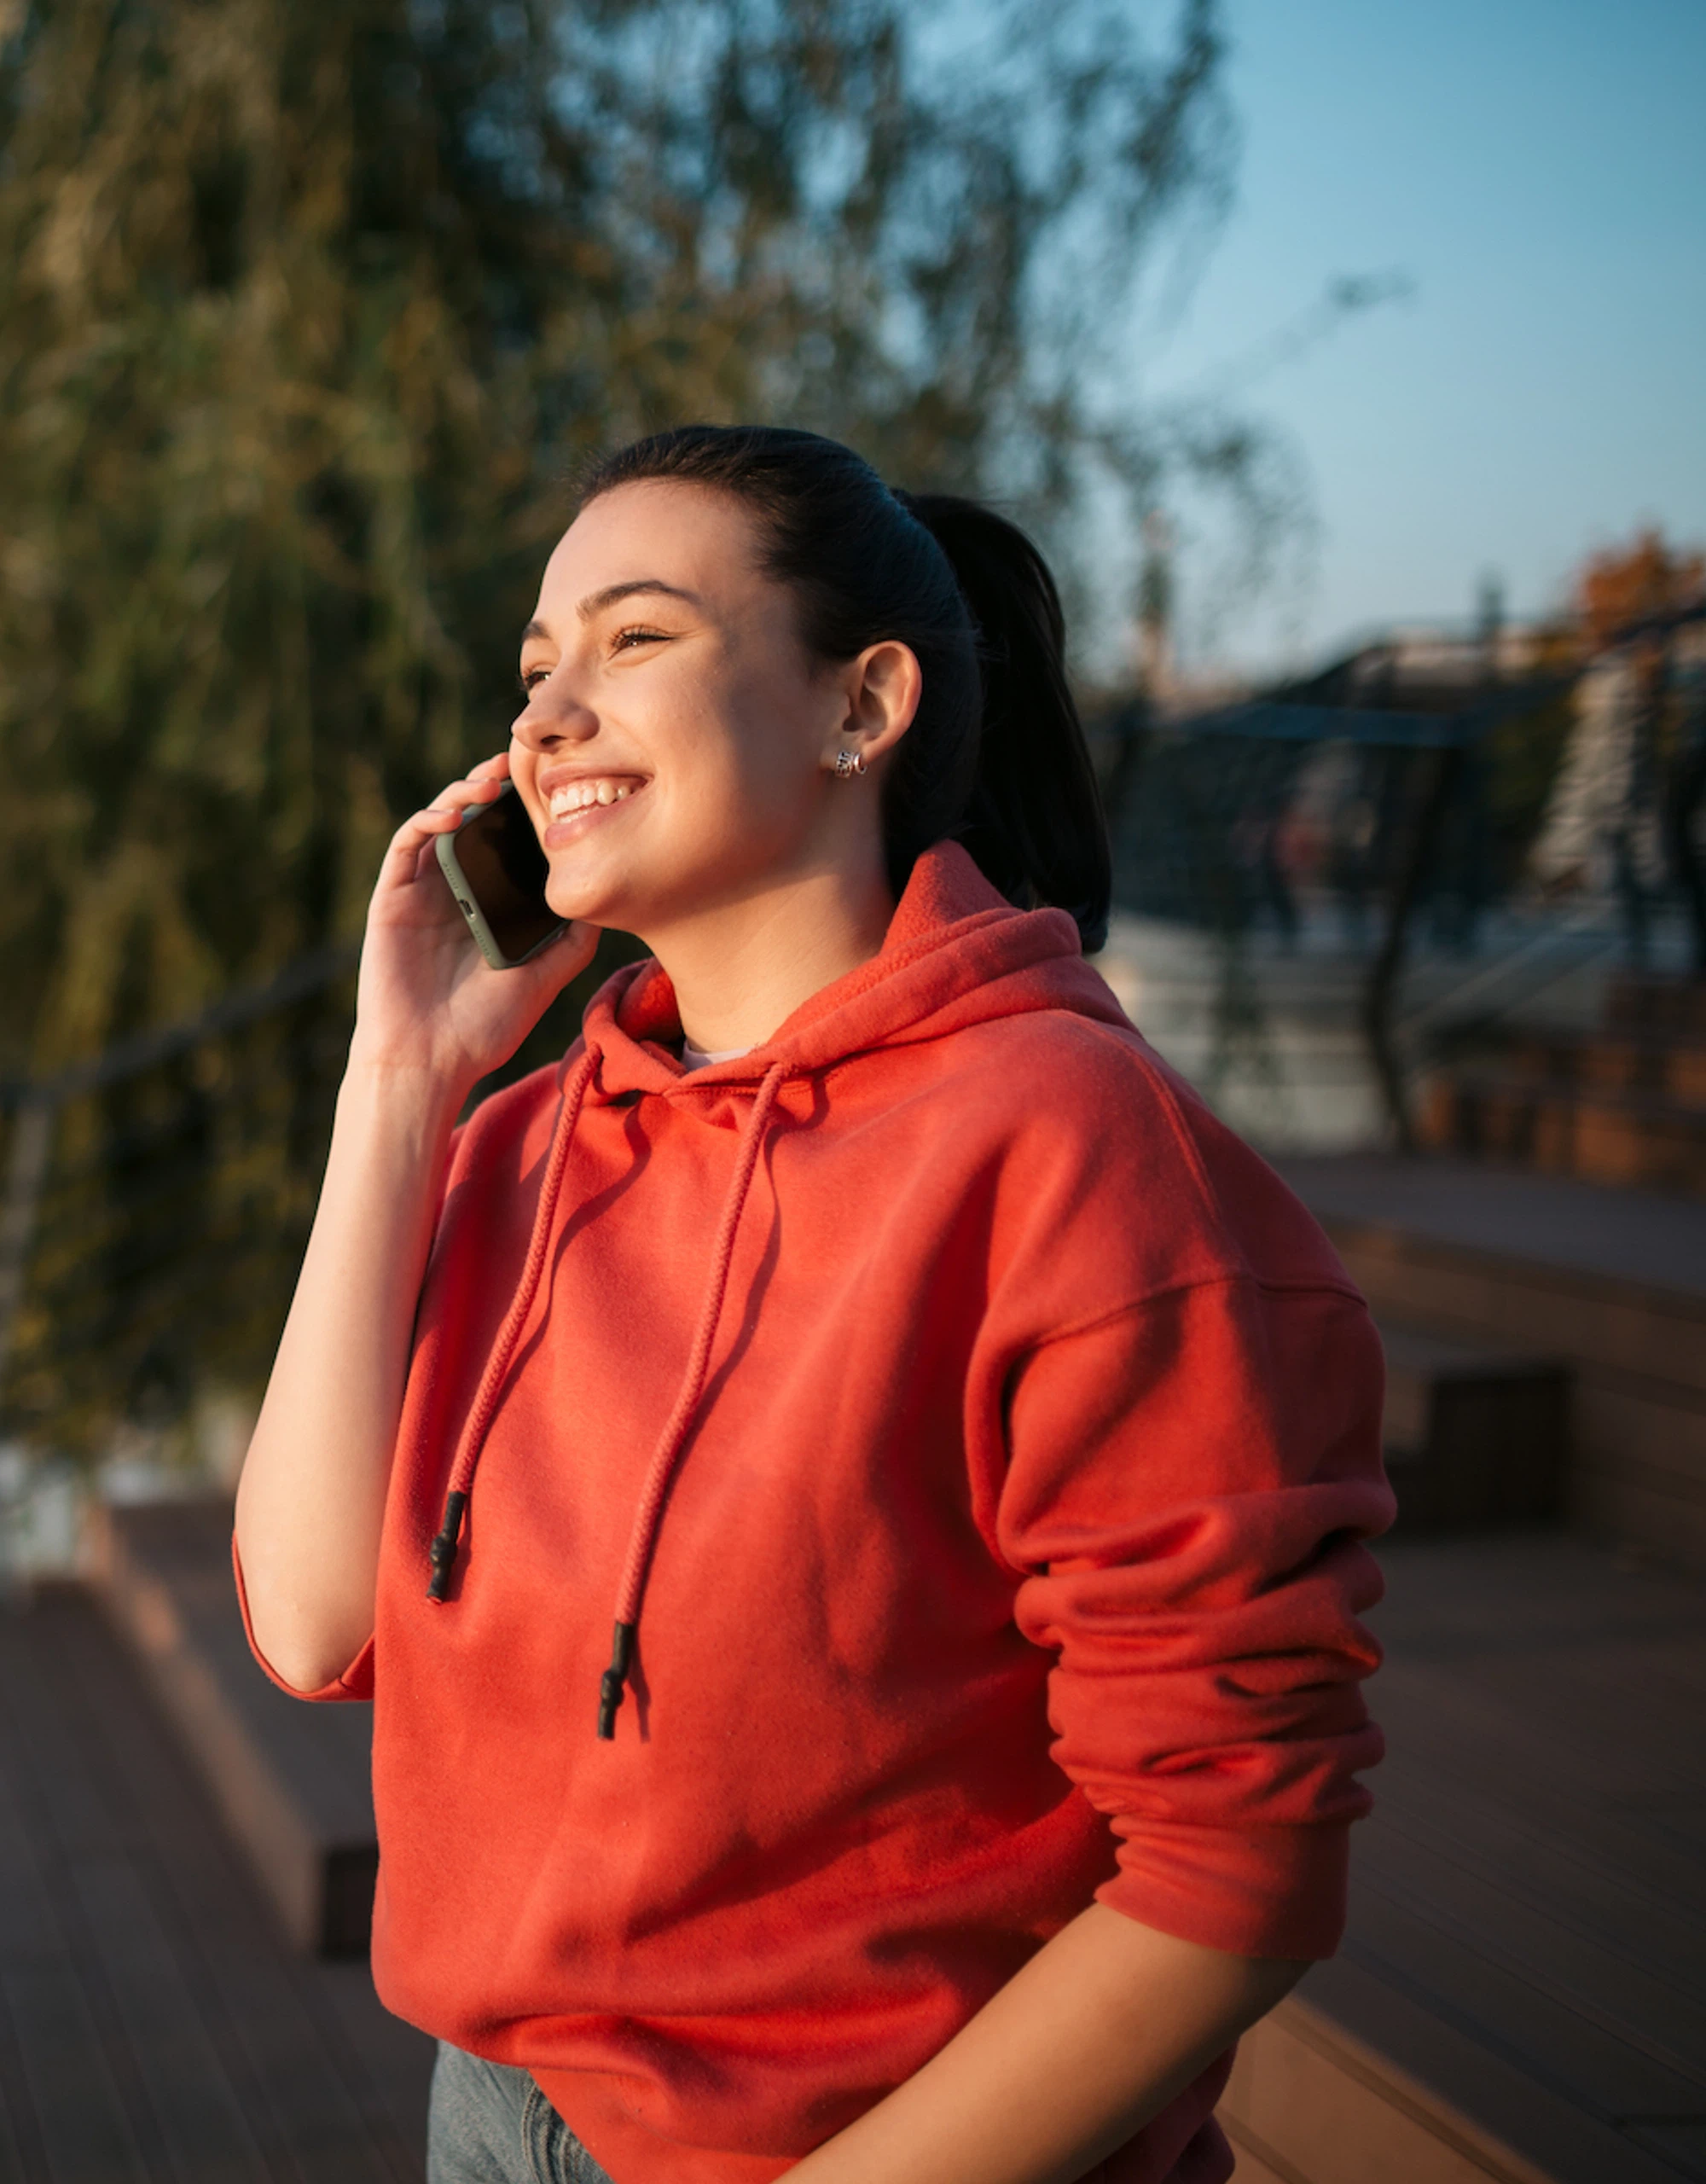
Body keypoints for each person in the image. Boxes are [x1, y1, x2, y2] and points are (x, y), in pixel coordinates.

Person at [230, 425, 1392, 2184]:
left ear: (864, 707)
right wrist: (400, 1079)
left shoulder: (1076, 1156)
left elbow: (1235, 1870)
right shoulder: (521, 1149)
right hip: (487, 2117)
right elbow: (316, 1622)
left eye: (633, 638)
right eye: (533, 668)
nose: (543, 717)